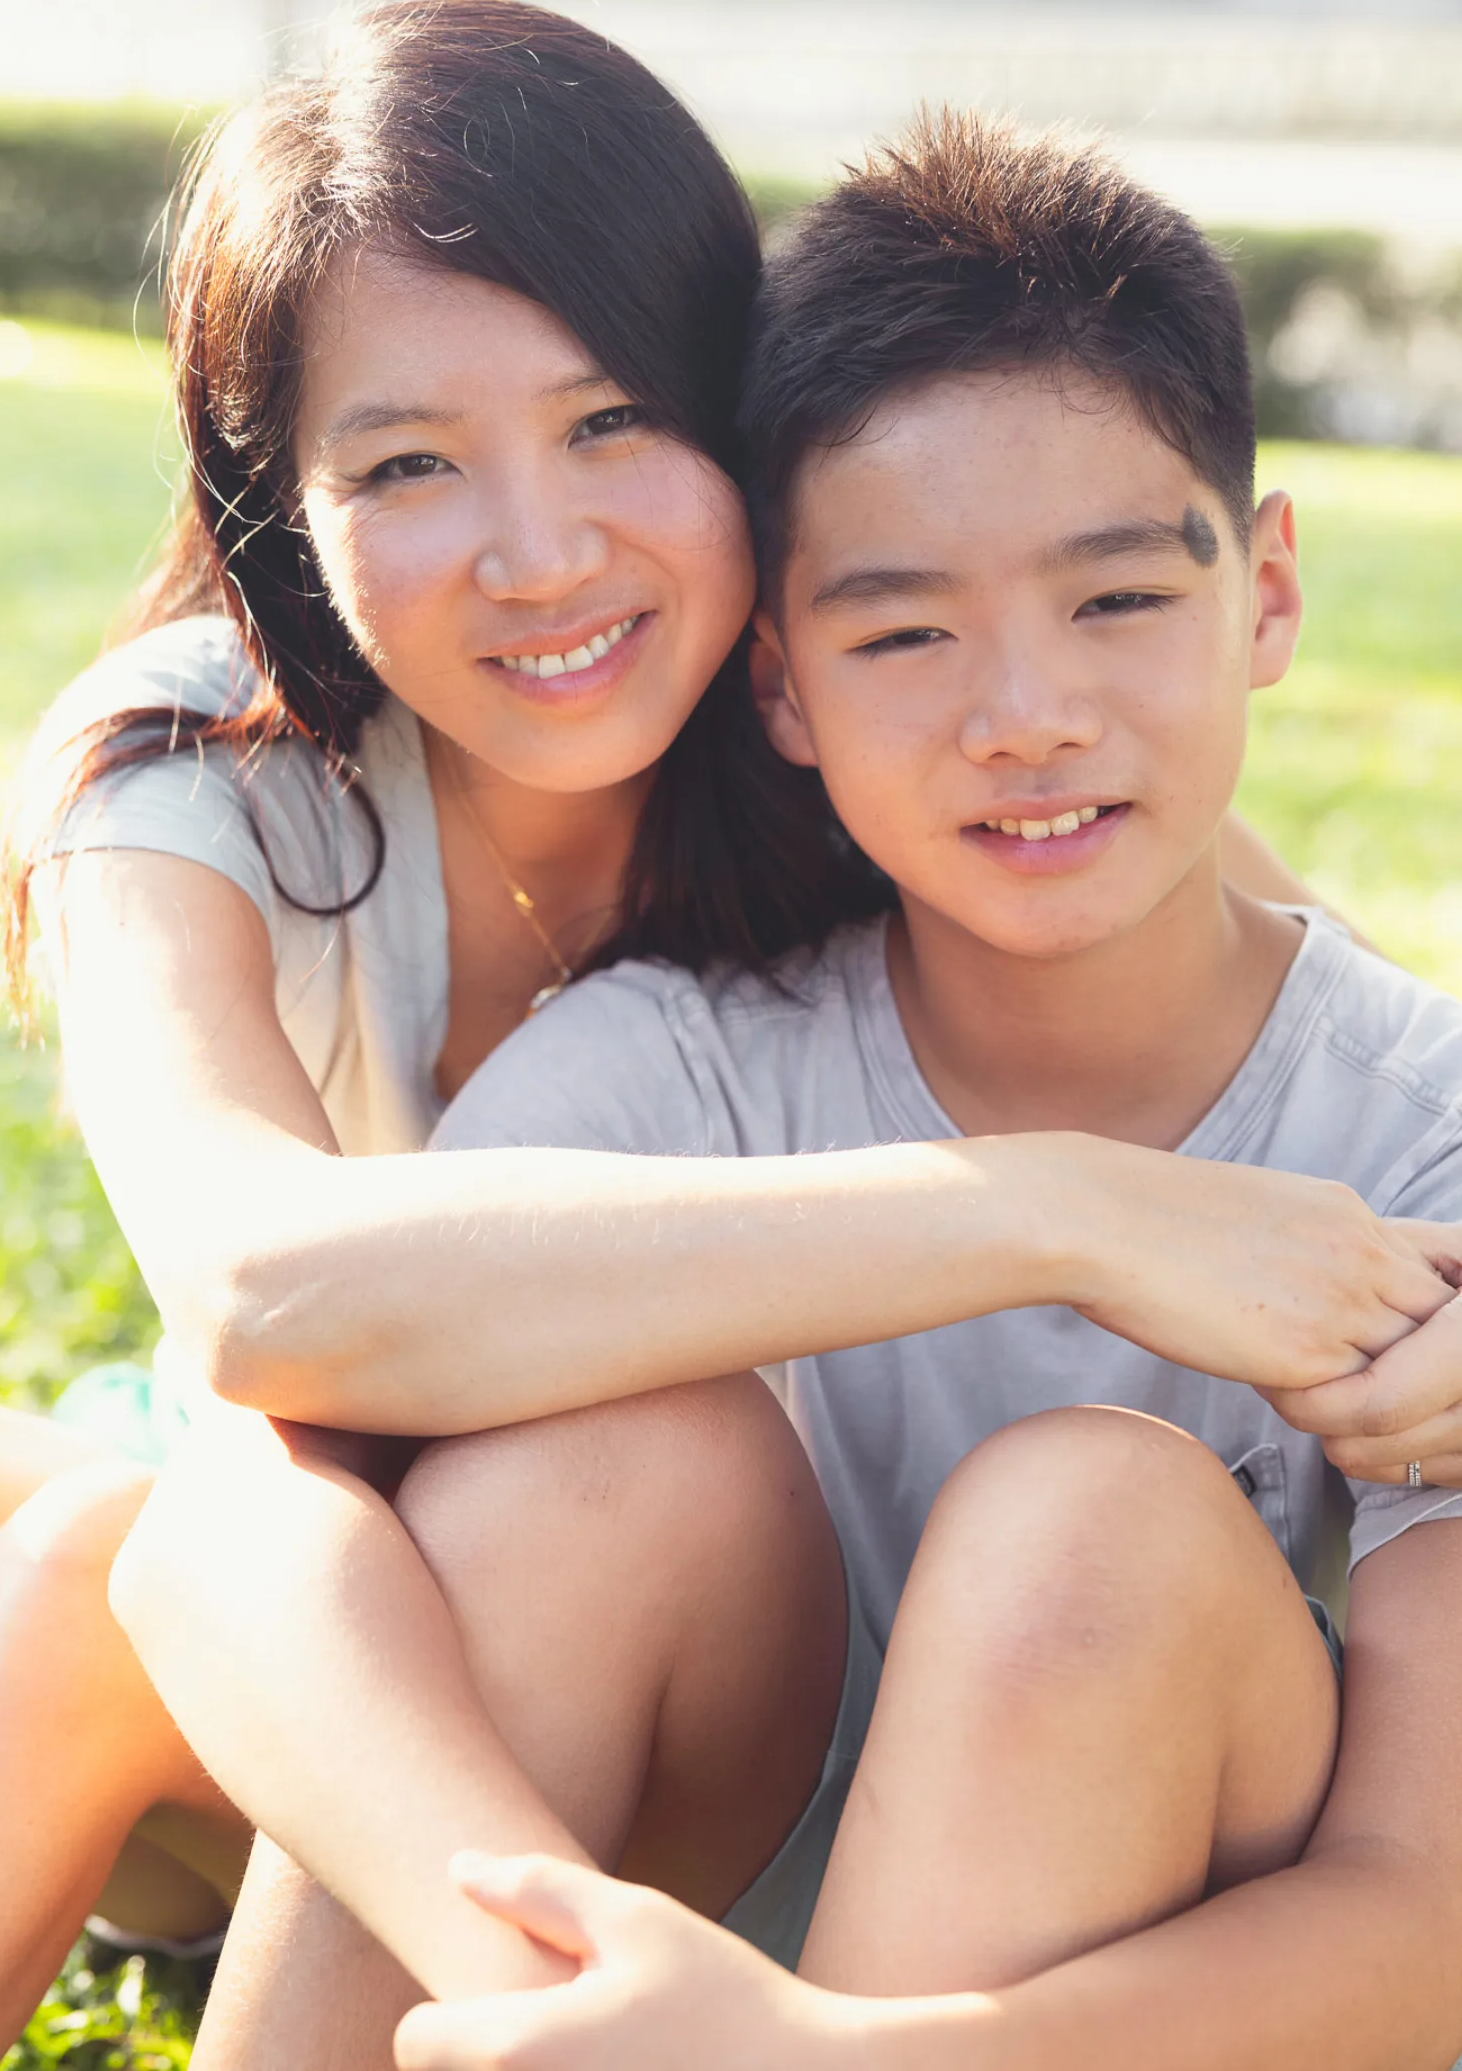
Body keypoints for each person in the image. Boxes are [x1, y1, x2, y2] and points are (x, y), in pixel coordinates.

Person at [0, 0, 1459, 2063]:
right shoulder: (215, 775)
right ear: (277, 501)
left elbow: (1308, 1004)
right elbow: (255, 1329)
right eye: (408, 460)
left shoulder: (950, 777)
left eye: (608, 424)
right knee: (86, 1551)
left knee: (1079, 1518)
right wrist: (1053, 1207)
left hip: (1017, 1769)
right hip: (391, 1583)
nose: (541, 547)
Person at [361, 113, 1462, 2070]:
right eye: (905, 630)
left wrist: (831, 2055)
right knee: (557, 1459)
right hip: (680, 1922)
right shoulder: (690, 1062)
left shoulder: (1425, 1140)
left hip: (1145, 2009)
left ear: (1267, 589)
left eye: (1117, 598)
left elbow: (1434, 1922)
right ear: (780, 681)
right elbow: (291, 1408)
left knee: (1086, 1524)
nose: (1023, 708)